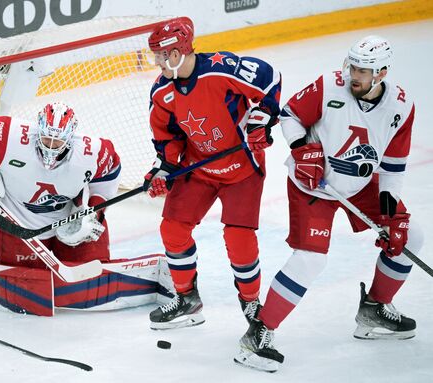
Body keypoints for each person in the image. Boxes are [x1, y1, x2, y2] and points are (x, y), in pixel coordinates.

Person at [235, 35, 425, 372]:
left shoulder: (401, 107)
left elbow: (393, 168)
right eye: (352, 65)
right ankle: (259, 332)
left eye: (363, 70)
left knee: (410, 235)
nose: (354, 74)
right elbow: (290, 114)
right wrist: (301, 149)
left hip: (361, 184)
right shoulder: (329, 86)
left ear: (380, 73)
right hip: (314, 183)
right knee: (310, 260)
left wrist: (390, 214)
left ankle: (374, 309)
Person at [142, 17, 282, 330]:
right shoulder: (162, 92)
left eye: (161, 57)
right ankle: (187, 299)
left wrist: (260, 121)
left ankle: (251, 304)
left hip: (242, 166)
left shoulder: (221, 69)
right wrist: (162, 170)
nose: (157, 63)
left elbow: (269, 80)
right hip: (200, 168)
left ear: (176, 54)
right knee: (173, 230)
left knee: (238, 236)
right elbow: (167, 138)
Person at [0, 102, 121, 268]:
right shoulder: (8, 134)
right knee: (20, 287)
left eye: (57, 142)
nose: (50, 146)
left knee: (92, 279)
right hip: (19, 224)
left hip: (71, 222)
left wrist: (94, 212)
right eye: (46, 138)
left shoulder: (92, 152)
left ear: (70, 137)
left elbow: (110, 170)